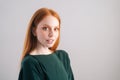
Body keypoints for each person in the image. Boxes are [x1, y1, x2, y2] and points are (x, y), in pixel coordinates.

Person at [18, 7, 74, 80]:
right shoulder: (30, 62)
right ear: (34, 31)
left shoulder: (63, 56)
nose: (52, 34)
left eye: (55, 29)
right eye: (45, 28)